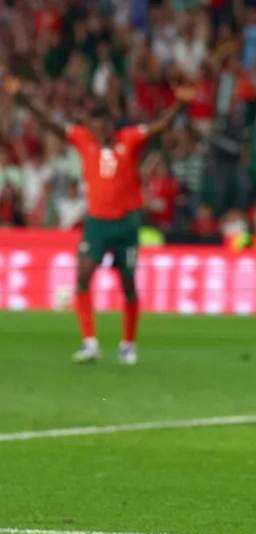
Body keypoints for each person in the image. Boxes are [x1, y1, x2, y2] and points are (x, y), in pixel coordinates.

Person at [3, 76, 194, 365]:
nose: (95, 130)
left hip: (126, 224)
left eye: (99, 125)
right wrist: (22, 99)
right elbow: (50, 123)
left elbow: (159, 127)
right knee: (83, 276)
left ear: (109, 125)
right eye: (92, 125)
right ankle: (90, 343)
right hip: (97, 224)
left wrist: (179, 105)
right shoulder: (83, 139)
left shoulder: (129, 138)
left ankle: (128, 344)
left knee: (128, 285)